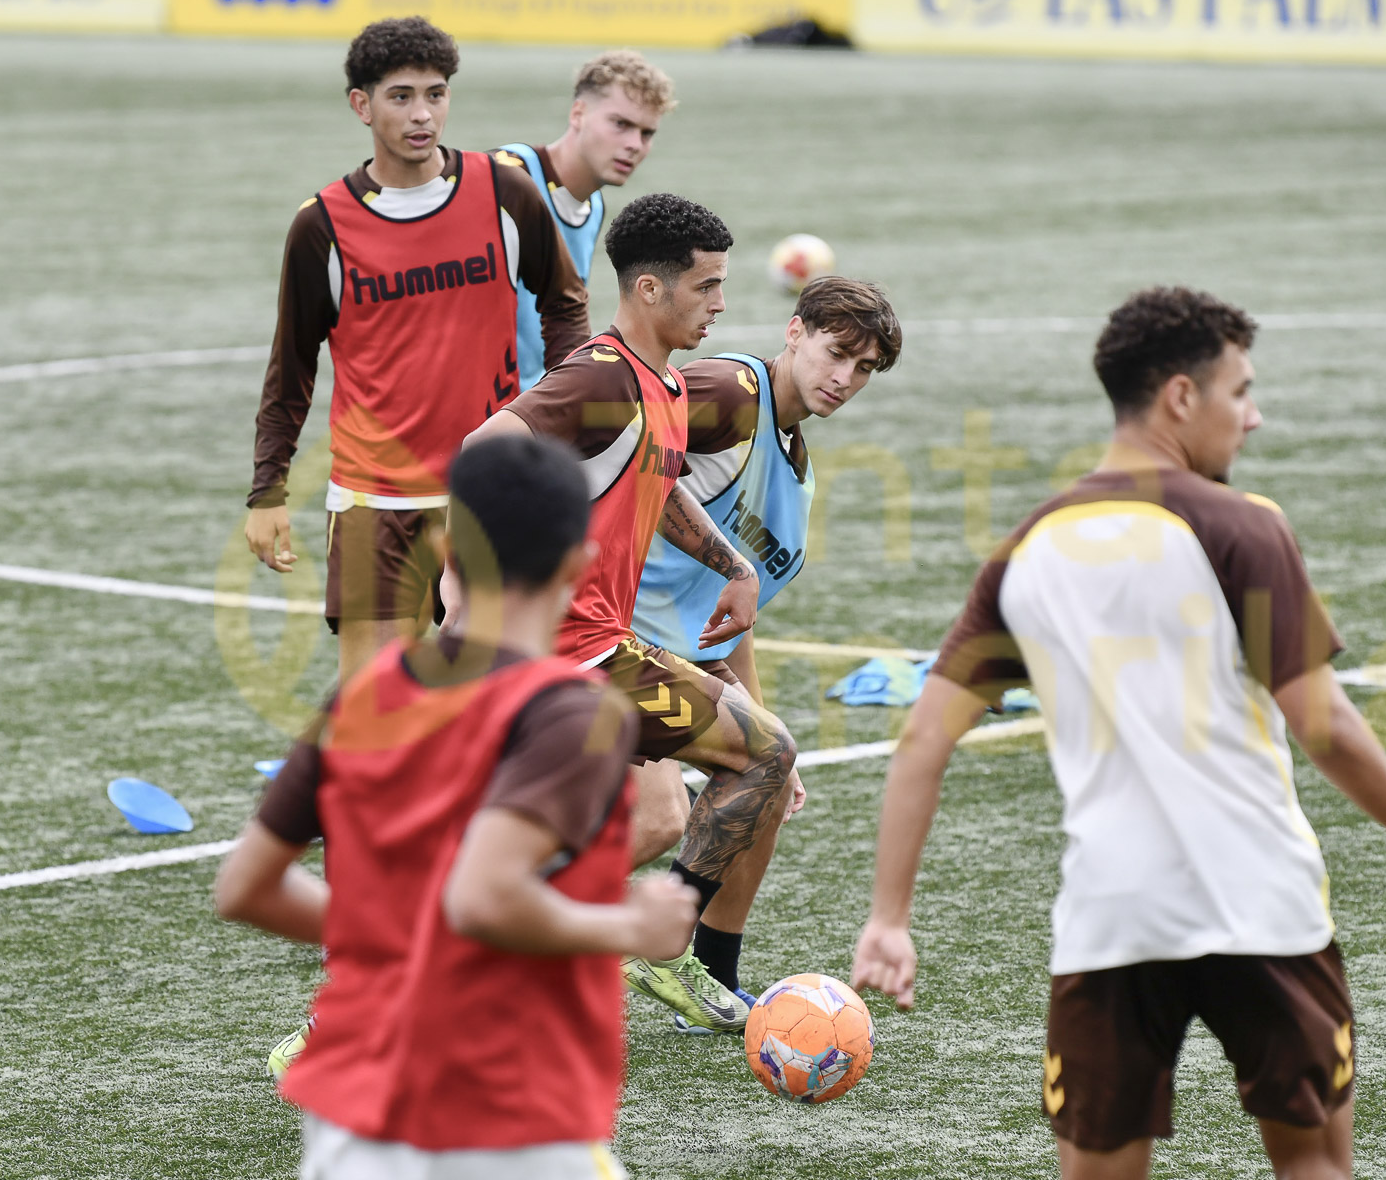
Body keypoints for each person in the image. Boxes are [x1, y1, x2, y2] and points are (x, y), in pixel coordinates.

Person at [850, 286, 1386, 1180]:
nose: (1253, 417)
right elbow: (1323, 723)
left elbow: (922, 743)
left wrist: (889, 919)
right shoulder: (1242, 525)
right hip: (1263, 907)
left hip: (1114, 919)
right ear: (1182, 396)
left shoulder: (1025, 549)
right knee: (1313, 1165)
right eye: (1241, 392)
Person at [215, 434, 696, 1180]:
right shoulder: (576, 713)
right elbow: (482, 896)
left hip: (349, 1117)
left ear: (444, 548)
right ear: (579, 565)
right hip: (506, 1113)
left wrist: (401, 937)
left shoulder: (365, 695)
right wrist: (628, 927)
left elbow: (244, 887)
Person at [465, 192, 797, 1035]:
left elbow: (661, 483)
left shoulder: (665, 384)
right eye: (707, 286)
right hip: (567, 656)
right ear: (650, 289)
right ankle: (657, 941)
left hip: (601, 644)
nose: (721, 304)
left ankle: (468, 949)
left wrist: (733, 565)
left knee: (655, 817)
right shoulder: (602, 377)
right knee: (764, 753)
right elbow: (482, 452)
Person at [244, 16, 589, 683]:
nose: (422, 114)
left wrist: (560, 421)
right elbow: (292, 366)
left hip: (493, 492)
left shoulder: (505, 192)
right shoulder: (322, 226)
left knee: (498, 697)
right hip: (376, 500)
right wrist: (268, 490)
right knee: (374, 708)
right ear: (361, 104)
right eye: (400, 96)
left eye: (436, 94)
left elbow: (564, 304)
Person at [626, 276, 903, 1030]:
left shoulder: (795, 463)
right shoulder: (730, 393)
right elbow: (611, 445)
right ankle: (473, 918)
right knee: (659, 819)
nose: (845, 378)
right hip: (602, 631)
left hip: (672, 652)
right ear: (795, 332)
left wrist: (763, 722)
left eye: (864, 368)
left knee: (769, 777)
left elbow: (731, 624)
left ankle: (707, 981)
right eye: (836, 353)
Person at [496, 50, 675, 390]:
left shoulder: (593, 207)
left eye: (647, 133)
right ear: (578, 113)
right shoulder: (507, 176)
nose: (634, 144)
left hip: (535, 401)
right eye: (621, 124)